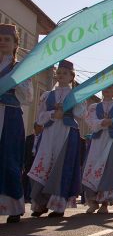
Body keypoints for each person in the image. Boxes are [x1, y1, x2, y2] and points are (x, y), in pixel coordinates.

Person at [27, 60, 85, 218]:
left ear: (71, 76)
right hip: (49, 133)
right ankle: (40, 204)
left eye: (65, 73)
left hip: (66, 133)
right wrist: (53, 114)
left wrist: (67, 110)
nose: (61, 75)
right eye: (59, 72)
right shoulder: (48, 95)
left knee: (61, 166)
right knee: (43, 164)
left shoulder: (76, 95)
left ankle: (58, 205)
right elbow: (40, 117)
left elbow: (80, 113)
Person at [0, 24, 33, 223]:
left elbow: (27, 96)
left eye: (7, 39)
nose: (2, 42)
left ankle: (13, 206)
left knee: (9, 158)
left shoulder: (19, 68)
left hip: (10, 117)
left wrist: (15, 79)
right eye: (0, 39)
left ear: (15, 44)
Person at [82, 83, 113, 214]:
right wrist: (101, 122)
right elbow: (91, 123)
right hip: (97, 142)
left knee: (109, 170)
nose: (106, 90)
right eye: (105, 88)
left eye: (109, 88)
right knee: (91, 168)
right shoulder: (94, 107)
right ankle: (92, 201)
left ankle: (104, 203)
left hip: (112, 142)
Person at [23, 123, 43, 204]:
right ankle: (25, 196)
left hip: (37, 160)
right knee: (25, 178)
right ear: (35, 128)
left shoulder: (43, 138)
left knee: (34, 179)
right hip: (29, 160)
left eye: (41, 126)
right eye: (39, 126)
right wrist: (23, 162)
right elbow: (25, 150)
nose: (40, 128)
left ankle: (32, 196)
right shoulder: (29, 138)